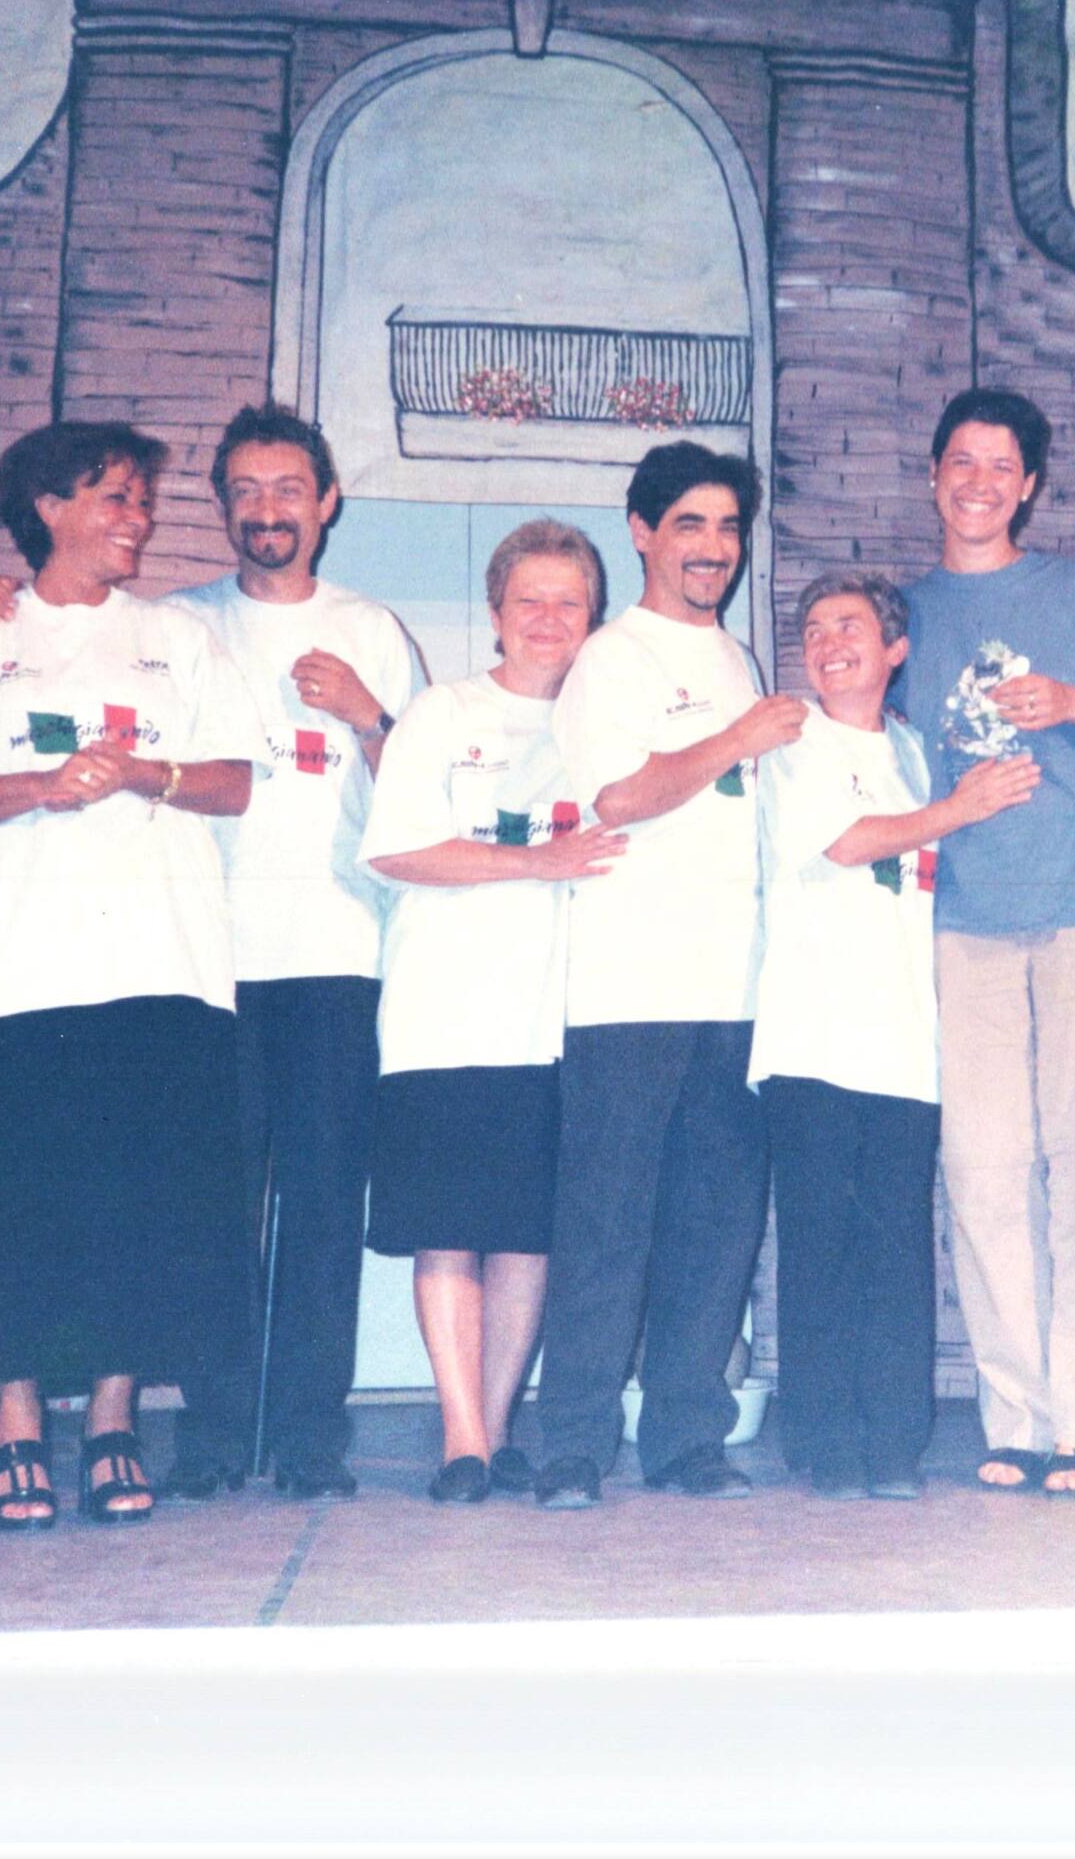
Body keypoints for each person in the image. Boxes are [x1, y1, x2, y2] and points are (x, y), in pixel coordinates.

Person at [0, 419, 268, 1530]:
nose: (137, 520)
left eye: (142, 501)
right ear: (48, 506)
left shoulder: (178, 638)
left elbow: (235, 782)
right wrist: (44, 787)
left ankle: (109, 1419)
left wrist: (144, 770)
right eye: (114, 499)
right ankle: (11, 1422)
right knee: (16, 1206)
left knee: (140, 1206)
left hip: (161, 959)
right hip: (17, 964)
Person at [897, 388, 1075, 1498]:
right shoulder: (903, 613)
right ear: (933, 477)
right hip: (957, 914)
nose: (977, 481)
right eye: (958, 460)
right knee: (981, 1172)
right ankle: (1014, 1412)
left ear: (1030, 485)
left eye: (1000, 465)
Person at [530, 442, 796, 1509]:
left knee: (715, 1228)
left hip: (733, 991)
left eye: (728, 528)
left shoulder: (735, 659)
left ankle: (687, 1434)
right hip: (627, 992)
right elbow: (619, 797)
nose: (713, 549)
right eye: (689, 525)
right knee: (605, 1225)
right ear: (640, 532)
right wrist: (735, 739)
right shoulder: (613, 658)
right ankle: (573, 1444)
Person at [171, 404, 425, 1502]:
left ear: (326, 504)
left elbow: (424, 796)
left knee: (324, 1206)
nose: (266, 509)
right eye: (245, 489)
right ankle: (216, 1432)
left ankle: (311, 1435)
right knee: (212, 1204)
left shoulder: (372, 627)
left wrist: (370, 713)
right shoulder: (177, 624)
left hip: (336, 954)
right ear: (221, 503)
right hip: (202, 954)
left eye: (288, 489)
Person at [749, 571, 1038, 1500]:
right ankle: (825, 1445)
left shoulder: (916, 749)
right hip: (812, 1040)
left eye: (853, 626)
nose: (831, 641)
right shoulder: (794, 739)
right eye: (817, 628)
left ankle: (894, 1445)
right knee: (819, 1248)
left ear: (895, 650)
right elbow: (843, 842)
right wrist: (960, 810)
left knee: (897, 1249)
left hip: (907, 1044)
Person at [359, 521, 627, 1502]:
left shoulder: (605, 733)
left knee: (527, 1237)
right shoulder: (440, 714)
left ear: (593, 617)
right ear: (496, 615)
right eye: (530, 601)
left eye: (569, 601)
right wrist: (535, 862)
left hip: (559, 1021)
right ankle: (460, 1439)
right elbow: (396, 850)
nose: (549, 619)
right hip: (442, 1019)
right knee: (448, 1232)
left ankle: (498, 1422)